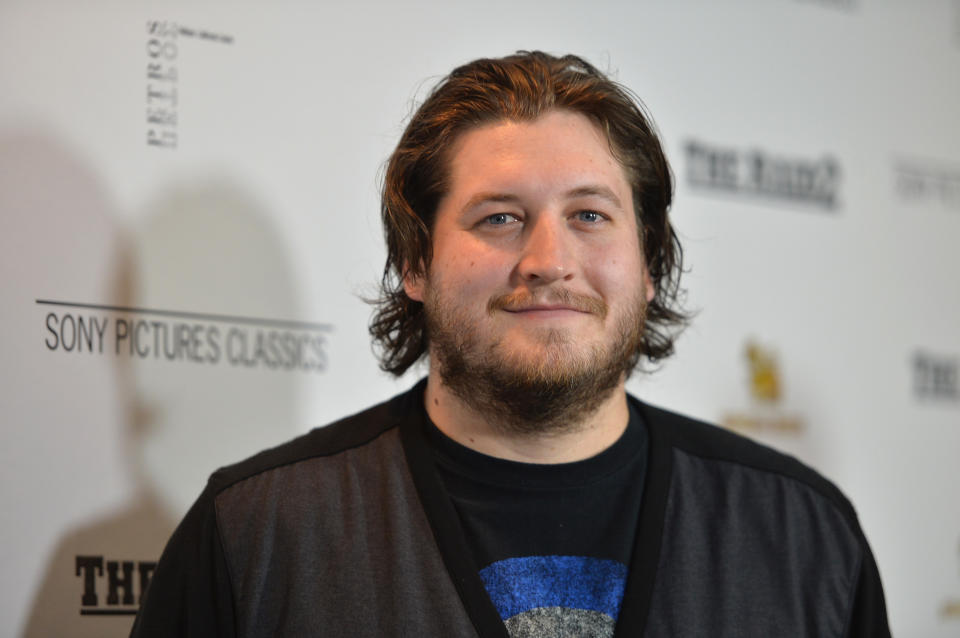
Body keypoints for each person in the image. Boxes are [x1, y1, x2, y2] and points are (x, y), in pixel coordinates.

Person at [130, 51, 890, 637]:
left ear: (650, 264)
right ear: (416, 263)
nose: (547, 260)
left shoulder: (804, 538)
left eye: (590, 215)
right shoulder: (257, 537)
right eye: (499, 217)